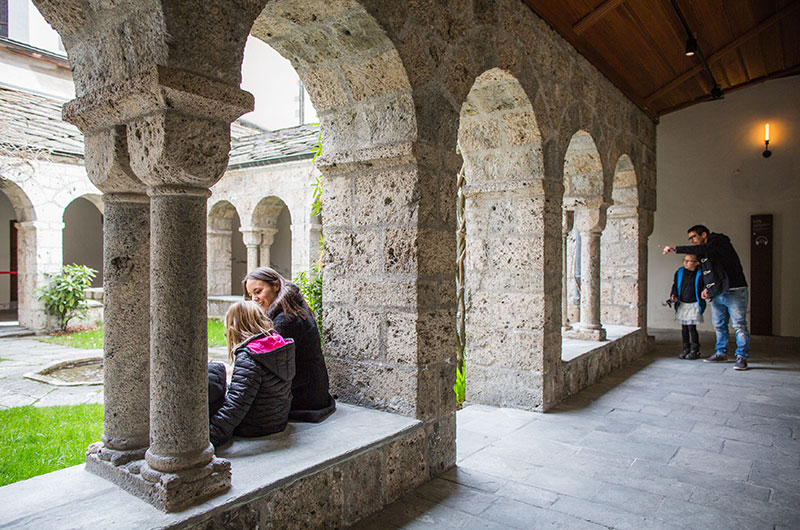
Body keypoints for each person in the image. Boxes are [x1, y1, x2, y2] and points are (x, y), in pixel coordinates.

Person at [243, 267, 336, 421]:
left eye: (258, 291)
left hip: (305, 398)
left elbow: (271, 365)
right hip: (314, 392)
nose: (254, 299)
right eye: (251, 295)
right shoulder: (292, 310)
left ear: (276, 286)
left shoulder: (287, 320)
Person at [660, 224, 750, 371]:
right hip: (718, 292)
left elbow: (703, 250)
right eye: (689, 239)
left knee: (739, 325)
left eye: (694, 237)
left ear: (704, 234)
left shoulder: (719, 242)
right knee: (719, 325)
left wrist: (675, 249)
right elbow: (707, 271)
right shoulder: (704, 252)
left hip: (734, 289)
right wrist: (707, 288)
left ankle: (742, 357)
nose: (692, 241)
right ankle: (721, 353)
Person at [208, 300, 296, 447]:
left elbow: (236, 405)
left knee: (214, 379)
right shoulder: (278, 345)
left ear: (234, 328)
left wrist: (211, 438)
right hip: (277, 420)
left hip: (255, 426)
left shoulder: (250, 356)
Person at [669, 254, 706, 360]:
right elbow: (675, 285)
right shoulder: (680, 272)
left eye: (689, 261)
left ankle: (695, 349)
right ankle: (686, 348)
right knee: (684, 328)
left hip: (694, 304)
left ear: (696, 263)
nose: (685, 262)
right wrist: (673, 294)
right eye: (684, 260)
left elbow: (704, 286)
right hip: (683, 303)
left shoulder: (700, 274)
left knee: (691, 327)